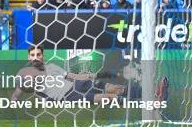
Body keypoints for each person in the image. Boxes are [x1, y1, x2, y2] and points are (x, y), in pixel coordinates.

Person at [11, 45, 168, 103]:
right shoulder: (26, 74)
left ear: (43, 56)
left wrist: (96, 75)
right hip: (68, 96)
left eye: (39, 54)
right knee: (109, 98)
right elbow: (19, 91)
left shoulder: (52, 66)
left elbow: (73, 76)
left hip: (78, 85)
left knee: (116, 88)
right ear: (29, 57)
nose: (36, 57)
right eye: (33, 55)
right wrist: (14, 100)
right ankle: (152, 102)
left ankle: (155, 92)